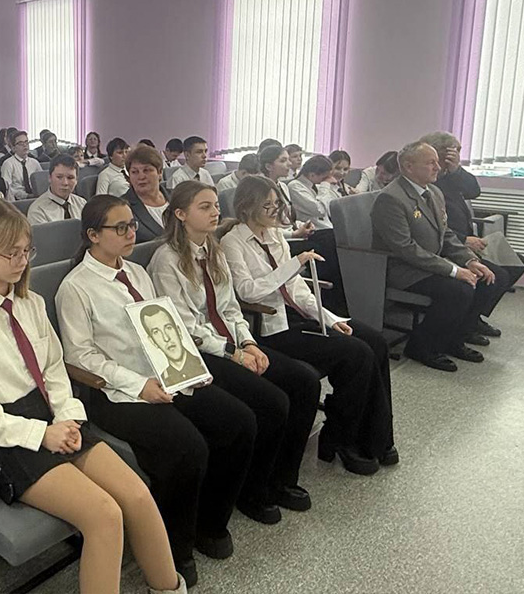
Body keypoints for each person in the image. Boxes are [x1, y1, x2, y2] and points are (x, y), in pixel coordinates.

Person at [0, 199, 186, 594]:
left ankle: (169, 588)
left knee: (138, 495)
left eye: (26, 251)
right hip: (4, 437)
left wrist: (67, 417)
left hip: (53, 416)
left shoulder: (30, 303)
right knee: (104, 515)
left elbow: (53, 370)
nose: (22, 262)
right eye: (11, 253)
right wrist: (41, 434)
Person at [56, 195, 255, 587]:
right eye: (120, 228)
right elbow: (81, 358)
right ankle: (174, 548)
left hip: (165, 375)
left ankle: (209, 523)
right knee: (188, 447)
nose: (131, 233)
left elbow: (163, 325)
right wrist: (140, 385)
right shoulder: (76, 287)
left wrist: (188, 367)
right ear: (93, 235)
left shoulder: (137, 272)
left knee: (240, 423)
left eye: (132, 225)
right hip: (116, 392)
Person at [149, 181, 320, 519]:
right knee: (273, 402)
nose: (215, 212)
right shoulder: (167, 260)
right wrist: (232, 352)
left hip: (230, 342)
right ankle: (252, 490)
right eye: (205, 207)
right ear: (181, 214)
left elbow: (230, 309)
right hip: (202, 352)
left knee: (305, 383)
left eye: (216, 205)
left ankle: (281, 478)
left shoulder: (213, 250)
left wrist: (249, 342)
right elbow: (184, 327)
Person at [222, 175, 396, 473]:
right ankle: (339, 438)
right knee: (356, 354)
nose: (275, 210)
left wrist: (328, 318)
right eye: (267, 205)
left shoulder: (274, 236)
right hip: (271, 325)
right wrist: (295, 263)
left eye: (277, 203)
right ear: (247, 206)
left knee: (375, 342)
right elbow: (248, 291)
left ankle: (376, 436)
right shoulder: (232, 242)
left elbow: (298, 290)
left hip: (297, 313)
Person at [372, 142, 510, 371]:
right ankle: (422, 347)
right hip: (405, 269)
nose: (437, 167)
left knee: (490, 277)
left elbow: (446, 234)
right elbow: (405, 248)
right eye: (430, 163)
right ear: (408, 166)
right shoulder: (391, 198)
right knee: (460, 290)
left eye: (437, 162)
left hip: (432, 261)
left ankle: (455, 338)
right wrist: (454, 271)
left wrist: (470, 260)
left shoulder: (434, 192)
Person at [422, 131, 524, 293]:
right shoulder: (427, 182)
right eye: (454, 152)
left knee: (517, 263)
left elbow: (474, 191)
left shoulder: (451, 176)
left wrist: (457, 170)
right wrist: (463, 240)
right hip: (450, 245)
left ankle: (478, 306)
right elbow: (429, 226)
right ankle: (472, 308)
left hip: (467, 240)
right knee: (497, 276)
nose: (458, 156)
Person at [137, 304, 208, 388]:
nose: (166, 338)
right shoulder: (163, 377)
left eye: (168, 328)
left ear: (179, 331)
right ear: (152, 341)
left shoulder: (201, 364)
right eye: (156, 332)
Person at [258, 145, 313, 241]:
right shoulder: (259, 189)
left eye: (288, 160)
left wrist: (302, 225)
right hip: (274, 240)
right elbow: (264, 227)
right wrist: (293, 234)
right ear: (268, 166)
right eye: (283, 161)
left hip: (288, 236)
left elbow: (286, 220)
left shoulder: (283, 186)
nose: (289, 164)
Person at [123, 145, 169, 243]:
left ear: (160, 172)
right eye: (134, 172)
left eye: (146, 170)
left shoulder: (177, 197)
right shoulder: (122, 206)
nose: (141, 177)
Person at [27, 154, 86, 225]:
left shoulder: (82, 204)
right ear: (50, 178)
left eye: (70, 178)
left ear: (76, 180)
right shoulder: (37, 210)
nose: (65, 183)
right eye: (59, 177)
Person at [288, 155, 335, 230]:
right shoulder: (295, 186)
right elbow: (320, 210)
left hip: (327, 227)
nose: (329, 179)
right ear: (312, 175)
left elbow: (330, 210)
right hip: (313, 230)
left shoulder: (316, 186)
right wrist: (325, 184)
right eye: (324, 178)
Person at [1, 130, 42, 200]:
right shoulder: (8, 164)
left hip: (36, 198)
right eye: (20, 143)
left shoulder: (35, 163)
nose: (25, 145)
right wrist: (26, 195)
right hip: (17, 200)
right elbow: (7, 188)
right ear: (13, 148)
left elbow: (42, 182)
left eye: (26, 142)